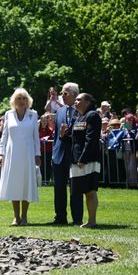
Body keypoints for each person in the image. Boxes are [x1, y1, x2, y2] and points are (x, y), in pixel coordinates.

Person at [0, 88, 41, 226]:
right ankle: (16, 217)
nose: (21, 101)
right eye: (19, 98)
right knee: (14, 184)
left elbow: (36, 137)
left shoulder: (33, 115)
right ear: (14, 101)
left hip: (28, 154)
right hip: (12, 154)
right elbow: (4, 136)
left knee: (26, 183)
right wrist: (1, 153)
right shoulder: (8, 114)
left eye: (24, 98)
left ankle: (25, 216)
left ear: (28, 100)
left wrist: (37, 154)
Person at [52, 82, 84, 225]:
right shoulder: (59, 111)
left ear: (74, 95)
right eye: (62, 93)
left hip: (74, 155)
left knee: (75, 188)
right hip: (59, 155)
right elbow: (56, 135)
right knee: (59, 188)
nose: (62, 96)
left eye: (65, 93)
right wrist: (54, 153)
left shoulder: (81, 111)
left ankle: (77, 219)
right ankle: (60, 217)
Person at [70, 93, 101, 228]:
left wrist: (83, 158)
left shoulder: (93, 116)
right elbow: (73, 138)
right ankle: (86, 220)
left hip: (88, 160)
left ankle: (92, 221)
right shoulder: (78, 117)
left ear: (87, 102)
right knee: (79, 191)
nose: (75, 102)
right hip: (77, 160)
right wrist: (63, 134)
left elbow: (91, 139)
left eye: (78, 99)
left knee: (89, 190)